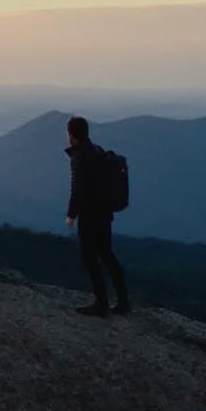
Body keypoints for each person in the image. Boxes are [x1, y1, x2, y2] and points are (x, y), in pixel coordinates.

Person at [64, 116, 130, 317]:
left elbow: (77, 189)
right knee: (107, 255)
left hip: (90, 215)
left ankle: (101, 303)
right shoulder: (97, 150)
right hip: (104, 213)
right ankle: (123, 301)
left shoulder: (79, 157)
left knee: (90, 258)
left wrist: (71, 215)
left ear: (71, 134)